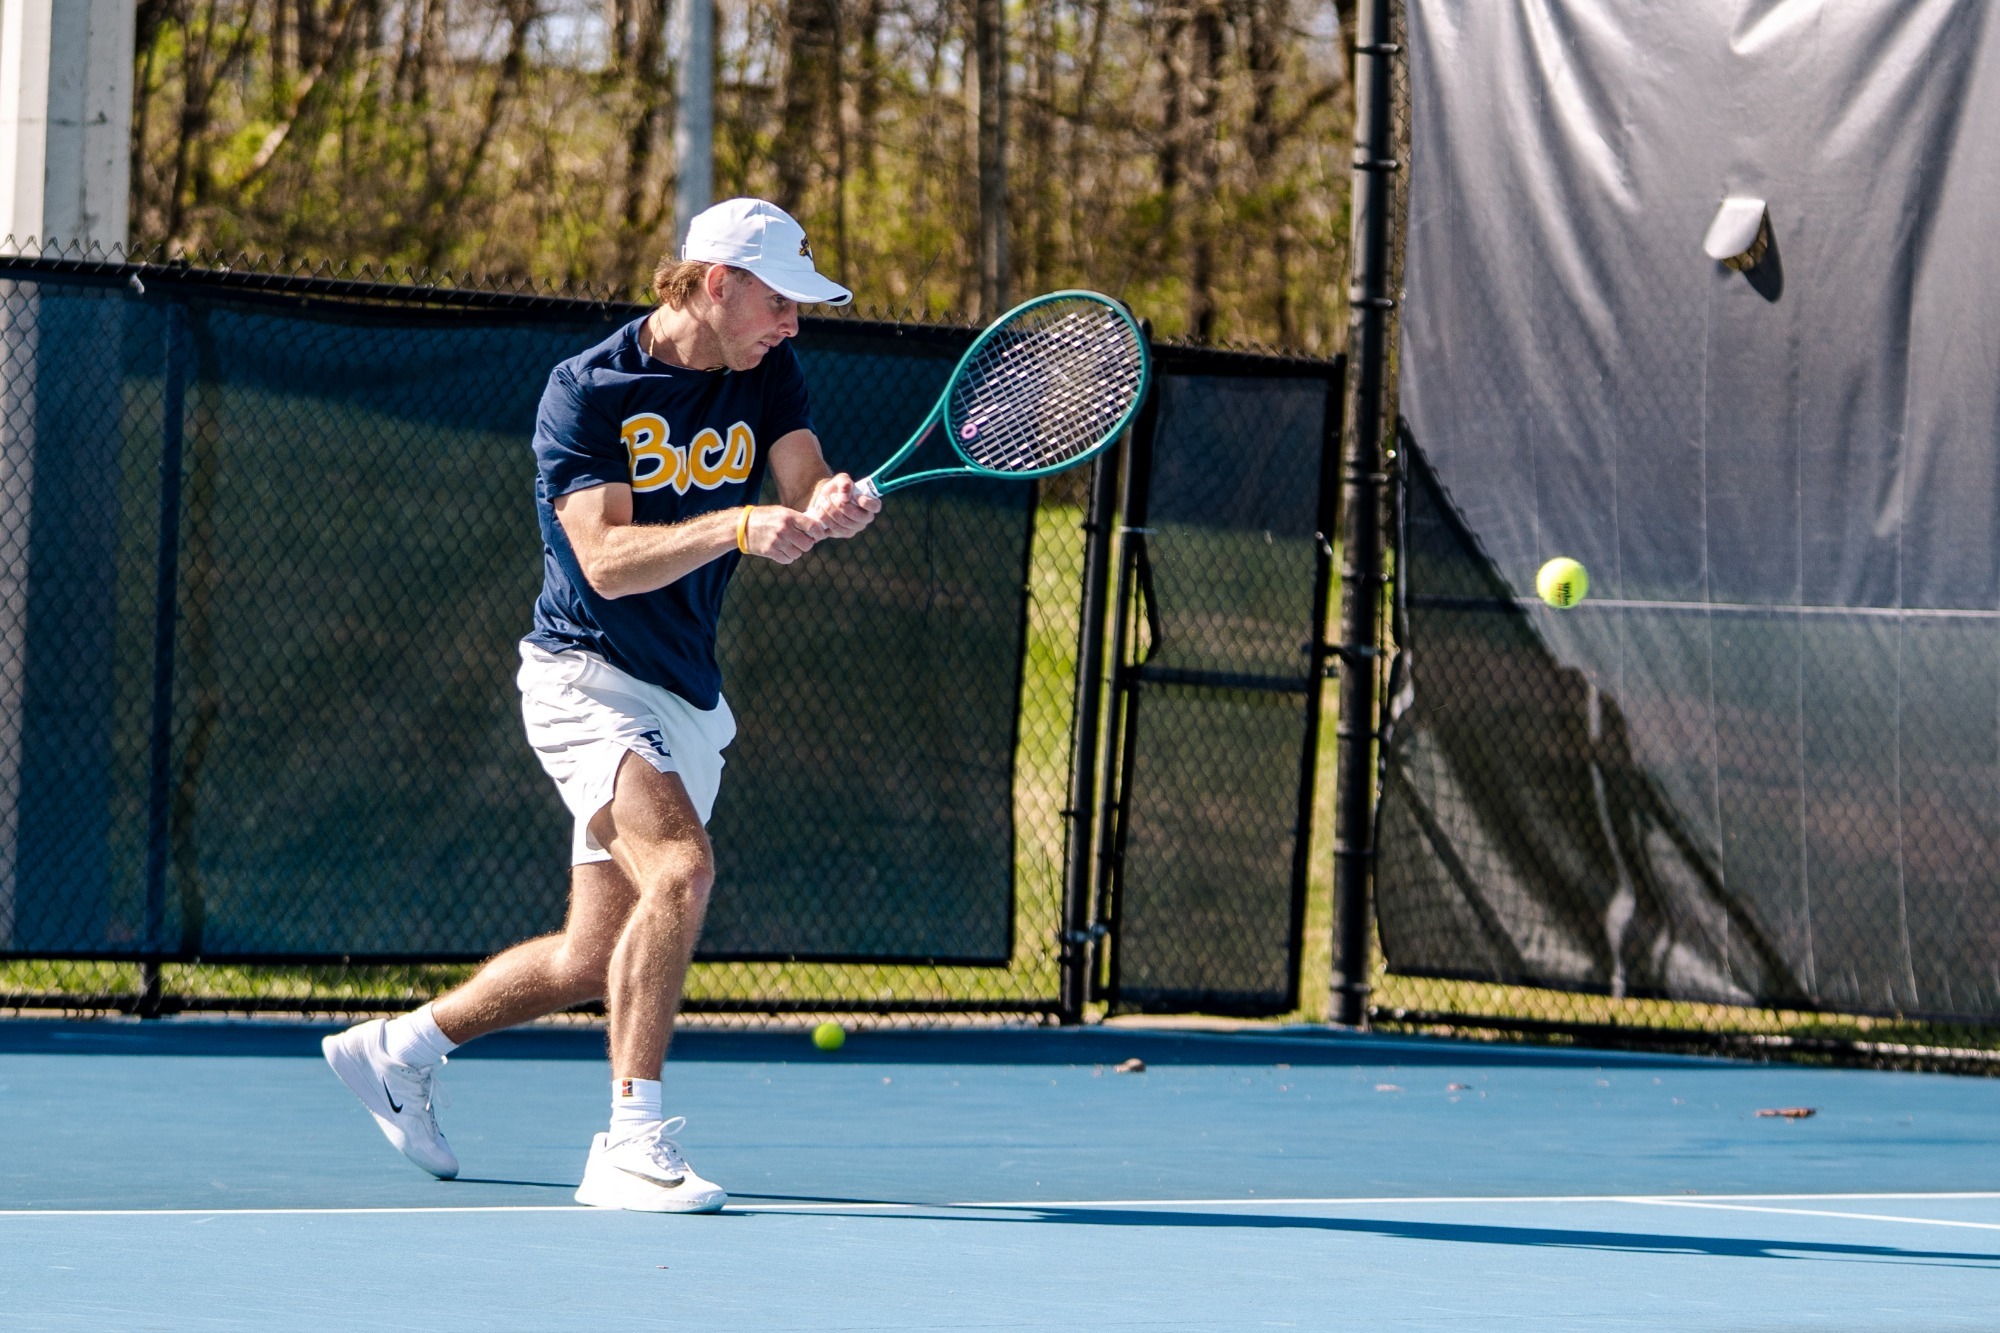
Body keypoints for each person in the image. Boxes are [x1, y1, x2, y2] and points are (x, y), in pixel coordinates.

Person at [322, 198, 878, 1213]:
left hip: (683, 692)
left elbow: (799, 486)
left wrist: (827, 506)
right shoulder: (586, 392)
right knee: (682, 866)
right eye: (780, 302)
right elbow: (608, 563)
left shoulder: (768, 371)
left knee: (594, 953)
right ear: (718, 283)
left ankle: (399, 1049)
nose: (794, 323)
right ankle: (628, 1143)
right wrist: (741, 524)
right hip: (583, 671)